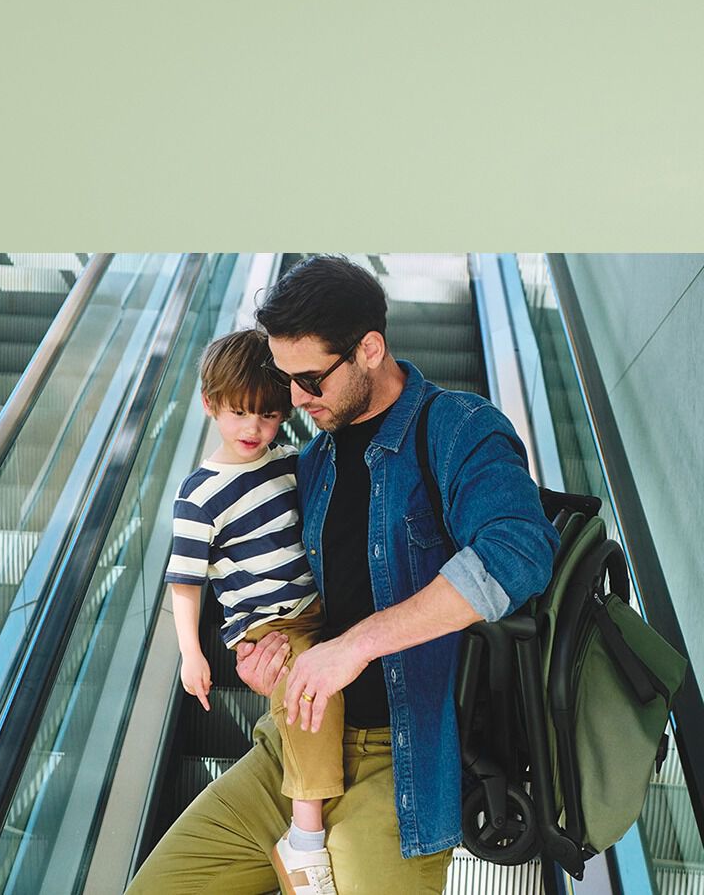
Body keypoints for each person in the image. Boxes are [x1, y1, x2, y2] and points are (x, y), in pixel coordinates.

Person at [126, 256, 560, 895]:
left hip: (404, 760)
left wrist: (356, 646)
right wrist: (260, 658)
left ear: (369, 350)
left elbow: (518, 550)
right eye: (286, 380)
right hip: (297, 742)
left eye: (309, 379)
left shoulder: (457, 428)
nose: (294, 400)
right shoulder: (312, 460)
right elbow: (270, 582)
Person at [164, 328, 344, 895]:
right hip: (270, 625)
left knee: (324, 686)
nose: (254, 428)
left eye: (267, 415)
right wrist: (192, 653)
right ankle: (305, 834)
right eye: (240, 413)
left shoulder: (289, 462)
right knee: (311, 692)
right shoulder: (198, 496)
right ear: (210, 404)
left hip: (318, 605)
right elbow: (185, 583)